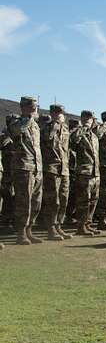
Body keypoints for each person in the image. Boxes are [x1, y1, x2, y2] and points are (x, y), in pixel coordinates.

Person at [8, 96, 44, 244]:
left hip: (36, 167)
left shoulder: (35, 125)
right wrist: (29, 118)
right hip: (23, 167)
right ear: (24, 107)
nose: (35, 109)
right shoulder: (16, 121)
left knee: (36, 202)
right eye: (32, 106)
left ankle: (29, 230)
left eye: (36, 106)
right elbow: (16, 131)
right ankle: (21, 233)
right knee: (24, 202)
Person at [41, 104, 72, 240]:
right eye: (58, 113)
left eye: (62, 113)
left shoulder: (65, 129)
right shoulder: (47, 127)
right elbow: (47, 138)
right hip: (51, 168)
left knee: (63, 199)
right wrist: (54, 124)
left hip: (64, 169)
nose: (61, 115)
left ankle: (59, 225)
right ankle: (51, 228)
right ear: (52, 114)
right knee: (53, 200)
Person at [71, 110, 101, 236]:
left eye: (92, 119)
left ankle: (88, 224)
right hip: (84, 172)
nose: (91, 120)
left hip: (95, 172)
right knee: (83, 200)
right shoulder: (78, 132)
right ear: (82, 118)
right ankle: (80, 226)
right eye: (88, 118)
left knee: (93, 200)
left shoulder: (94, 136)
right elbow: (73, 141)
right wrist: (84, 126)